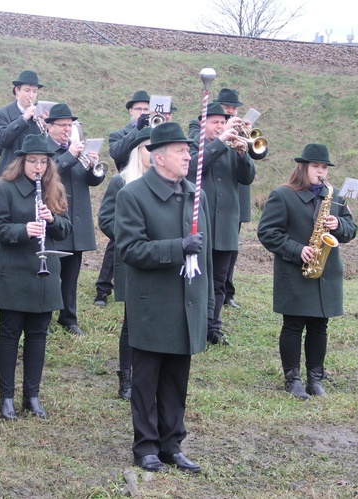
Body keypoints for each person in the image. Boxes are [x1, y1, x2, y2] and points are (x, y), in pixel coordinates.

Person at [114, 122, 213, 473]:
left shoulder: (195, 194)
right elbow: (130, 250)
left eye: (188, 150)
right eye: (179, 151)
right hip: (151, 304)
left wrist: (208, 305)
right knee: (146, 380)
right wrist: (177, 248)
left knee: (176, 379)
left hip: (187, 303)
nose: (188, 155)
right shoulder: (133, 195)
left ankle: (172, 444)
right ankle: (145, 447)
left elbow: (207, 256)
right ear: (158, 158)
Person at [257, 144, 356, 400]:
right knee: (292, 325)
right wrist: (297, 249)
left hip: (325, 272)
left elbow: (351, 229)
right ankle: (293, 379)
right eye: (316, 167)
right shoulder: (282, 195)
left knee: (319, 326)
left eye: (324, 167)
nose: (321, 172)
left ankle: (315, 378)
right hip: (295, 270)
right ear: (303, 167)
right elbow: (267, 233)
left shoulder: (333, 197)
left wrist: (339, 224)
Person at [0, 134, 71, 420]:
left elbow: (65, 229)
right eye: (33, 161)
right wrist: (23, 230)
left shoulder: (54, 188)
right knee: (9, 335)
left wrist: (52, 220)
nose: (38, 167)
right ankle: (6, 397)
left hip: (44, 274)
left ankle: (32, 396)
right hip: (14, 270)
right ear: (22, 161)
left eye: (43, 162)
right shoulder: (4, 188)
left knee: (38, 336)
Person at [188, 102, 255, 346]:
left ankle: (213, 327)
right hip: (201, 224)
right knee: (197, 278)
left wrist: (242, 154)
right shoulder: (192, 145)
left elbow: (247, 178)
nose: (219, 125)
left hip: (226, 225)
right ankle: (195, 324)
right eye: (215, 122)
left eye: (222, 121)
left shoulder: (232, 147)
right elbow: (193, 168)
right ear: (203, 123)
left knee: (219, 280)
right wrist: (219, 142)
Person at [97, 127, 152, 399]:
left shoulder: (164, 182)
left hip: (157, 262)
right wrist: (132, 239)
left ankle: (147, 376)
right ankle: (126, 379)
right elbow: (106, 219)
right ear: (136, 151)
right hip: (131, 261)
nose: (152, 154)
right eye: (147, 148)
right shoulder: (121, 181)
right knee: (131, 321)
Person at [0, 70, 44, 302]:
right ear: (17, 91)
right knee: (0, 230)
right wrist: (23, 120)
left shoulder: (41, 114)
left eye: (34, 91)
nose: (31, 94)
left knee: (30, 227)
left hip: (33, 177)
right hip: (8, 179)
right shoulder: (3, 113)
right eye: (27, 90)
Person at [44, 103, 105, 336]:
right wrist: (70, 155)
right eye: (62, 125)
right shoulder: (45, 150)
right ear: (50, 127)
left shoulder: (76, 150)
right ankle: (46, 316)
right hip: (55, 220)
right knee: (50, 272)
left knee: (72, 275)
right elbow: (49, 173)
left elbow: (93, 181)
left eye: (70, 126)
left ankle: (68, 317)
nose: (67, 130)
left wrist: (92, 165)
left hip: (77, 221)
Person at [94, 90, 151, 307]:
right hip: (126, 183)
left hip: (147, 182)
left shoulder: (154, 129)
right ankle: (103, 287)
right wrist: (138, 129)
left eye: (146, 109)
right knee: (115, 244)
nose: (143, 112)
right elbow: (116, 153)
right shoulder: (120, 132)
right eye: (139, 109)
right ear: (130, 110)